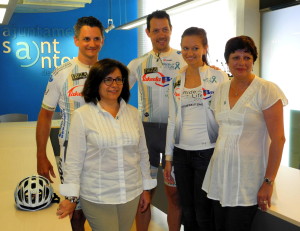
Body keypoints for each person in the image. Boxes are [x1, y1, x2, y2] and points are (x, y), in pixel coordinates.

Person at [56, 58, 157, 231]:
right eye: (108, 79)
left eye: (118, 79)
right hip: (98, 195)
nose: (114, 84)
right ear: (96, 82)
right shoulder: (82, 115)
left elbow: (142, 153)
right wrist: (72, 198)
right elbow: (74, 160)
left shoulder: (133, 114)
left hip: (130, 193)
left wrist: (146, 188)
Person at [202, 35, 288, 231]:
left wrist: (268, 182)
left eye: (247, 57)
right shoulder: (221, 89)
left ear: (253, 61)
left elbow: (279, 139)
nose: (241, 63)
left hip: (248, 180)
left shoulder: (266, 90)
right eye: (235, 57)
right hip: (220, 176)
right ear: (227, 60)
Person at [36, 16, 104, 231]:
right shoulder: (61, 73)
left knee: (100, 209)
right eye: (86, 39)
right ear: (76, 40)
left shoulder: (110, 74)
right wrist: (41, 155)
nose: (91, 44)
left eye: (96, 38)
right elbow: (45, 115)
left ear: (102, 40)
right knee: (74, 212)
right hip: (70, 154)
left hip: (102, 152)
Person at [164, 27, 229, 231]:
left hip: (207, 152)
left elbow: (225, 116)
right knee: (188, 211)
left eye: (195, 48)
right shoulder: (176, 80)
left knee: (203, 213)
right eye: (185, 48)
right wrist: (168, 159)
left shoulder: (218, 78)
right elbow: (171, 120)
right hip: (181, 154)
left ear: (205, 48)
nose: (189, 53)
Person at [127, 10, 186, 231]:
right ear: (148, 32)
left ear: (170, 30)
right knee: (144, 194)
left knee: (175, 195)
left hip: (176, 135)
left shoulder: (184, 60)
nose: (161, 35)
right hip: (147, 135)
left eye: (165, 29)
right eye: (156, 30)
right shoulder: (138, 64)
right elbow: (115, 93)